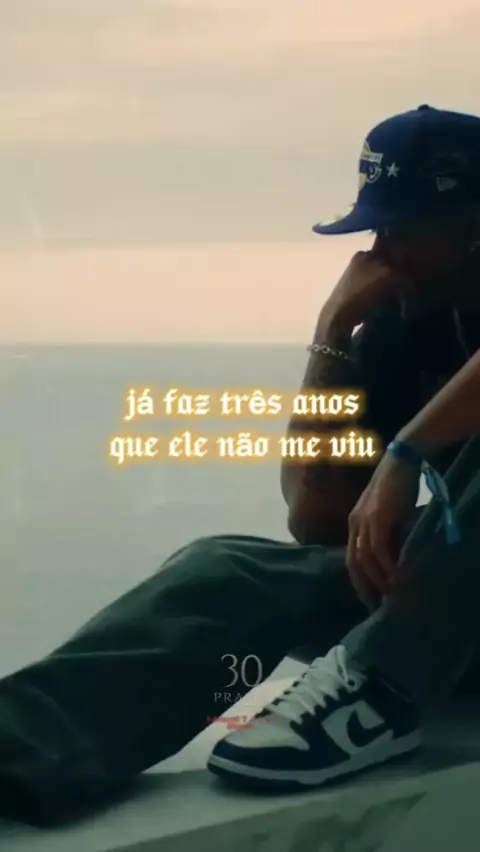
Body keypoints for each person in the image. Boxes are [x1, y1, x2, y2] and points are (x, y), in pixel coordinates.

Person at [1, 103, 480, 825]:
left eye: (403, 227)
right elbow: (318, 523)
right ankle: (21, 749)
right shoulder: (408, 322)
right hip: (450, 623)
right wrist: (332, 334)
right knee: (230, 571)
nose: (384, 250)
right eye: (377, 228)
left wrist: (405, 452)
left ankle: (382, 686)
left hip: (427, 647)